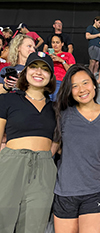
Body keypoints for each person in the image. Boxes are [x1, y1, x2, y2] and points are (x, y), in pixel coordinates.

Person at [52, 64, 100, 233]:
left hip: (97, 190)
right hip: (65, 192)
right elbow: (56, 149)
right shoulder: (62, 115)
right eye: (75, 86)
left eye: (85, 83)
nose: (81, 89)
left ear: (94, 84)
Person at [0, 51, 57, 233]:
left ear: (51, 76)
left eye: (45, 69)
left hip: (44, 167)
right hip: (11, 163)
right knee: (3, 221)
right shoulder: (7, 100)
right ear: (25, 71)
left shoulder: (56, 108)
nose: (39, 72)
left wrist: (45, 159)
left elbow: (56, 141)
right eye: (34, 67)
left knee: (35, 225)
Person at [48, 34, 76, 101]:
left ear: (62, 44)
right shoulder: (46, 54)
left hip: (60, 81)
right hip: (47, 80)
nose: (55, 45)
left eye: (57, 42)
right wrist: (48, 59)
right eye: (53, 42)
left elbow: (71, 71)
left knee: (55, 100)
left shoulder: (68, 55)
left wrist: (62, 61)